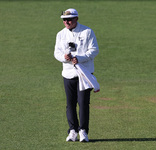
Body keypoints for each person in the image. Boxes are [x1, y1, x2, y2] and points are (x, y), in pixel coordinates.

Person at [54, 8, 99, 142]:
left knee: (83, 103)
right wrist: (64, 57)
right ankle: (72, 131)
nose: (66, 22)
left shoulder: (87, 31)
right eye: (64, 20)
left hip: (84, 73)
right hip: (68, 73)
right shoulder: (60, 34)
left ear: (76, 19)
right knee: (70, 103)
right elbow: (56, 53)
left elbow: (94, 50)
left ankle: (83, 131)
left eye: (69, 19)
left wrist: (79, 58)